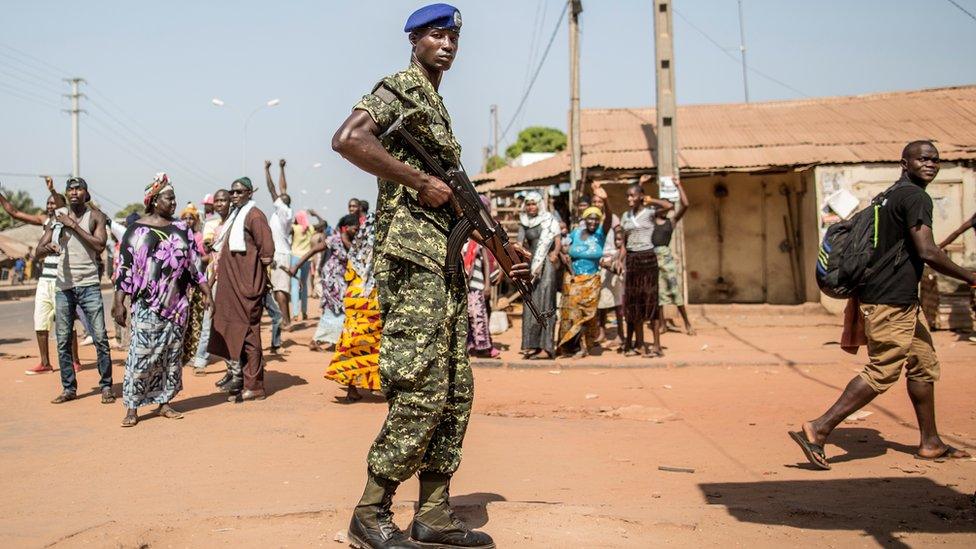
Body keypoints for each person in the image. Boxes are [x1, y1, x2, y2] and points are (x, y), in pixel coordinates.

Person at [331, 5, 531, 547]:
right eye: (436, 35)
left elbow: (457, 203)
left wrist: (501, 250)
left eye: (453, 37)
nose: (447, 44)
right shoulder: (399, 87)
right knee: (419, 385)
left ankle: (434, 512)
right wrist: (418, 179)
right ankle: (370, 512)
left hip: (441, 264)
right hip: (410, 259)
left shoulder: (435, 104)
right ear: (415, 41)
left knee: (455, 389)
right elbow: (348, 138)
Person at [790, 141, 976, 470]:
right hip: (891, 298)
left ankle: (930, 442)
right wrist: (969, 277)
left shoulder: (890, 194)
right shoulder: (915, 197)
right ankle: (818, 429)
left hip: (893, 296)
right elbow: (927, 251)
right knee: (883, 370)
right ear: (905, 163)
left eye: (935, 160)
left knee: (923, 363)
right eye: (923, 159)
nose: (931, 165)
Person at [112, 175, 211, 427]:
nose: (174, 202)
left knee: (171, 355)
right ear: (155, 200)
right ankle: (132, 407)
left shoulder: (181, 229)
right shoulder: (136, 230)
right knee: (140, 354)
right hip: (146, 303)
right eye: (169, 198)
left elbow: (194, 264)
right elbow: (124, 268)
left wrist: (206, 290)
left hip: (177, 304)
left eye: (174, 197)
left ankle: (165, 402)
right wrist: (118, 302)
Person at [36, 177, 114, 404]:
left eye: (78, 189)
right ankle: (68, 388)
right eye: (70, 189)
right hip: (63, 287)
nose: (73, 192)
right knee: (62, 340)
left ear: (86, 193)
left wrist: (75, 227)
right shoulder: (57, 220)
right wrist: (47, 247)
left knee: (99, 337)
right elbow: (38, 251)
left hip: (89, 284)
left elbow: (99, 246)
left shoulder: (96, 217)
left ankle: (106, 386)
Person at [2, 181, 82, 375]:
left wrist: (53, 190)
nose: (50, 206)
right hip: (45, 280)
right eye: (48, 203)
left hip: (62, 279)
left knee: (66, 322)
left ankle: (74, 360)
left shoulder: (68, 220)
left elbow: (60, 204)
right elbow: (14, 212)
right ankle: (45, 363)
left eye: (53, 203)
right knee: (40, 320)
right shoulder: (44, 222)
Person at [207, 177, 275, 401]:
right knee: (238, 332)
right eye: (232, 192)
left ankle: (255, 386)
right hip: (234, 287)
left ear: (249, 193)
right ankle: (245, 381)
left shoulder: (254, 215)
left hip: (248, 287)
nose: (234, 196)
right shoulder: (237, 216)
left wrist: (259, 281)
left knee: (250, 335)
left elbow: (267, 251)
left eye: (239, 192)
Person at [325, 212, 383, 403]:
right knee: (375, 344)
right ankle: (377, 384)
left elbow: (349, 274)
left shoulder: (356, 252)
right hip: (372, 299)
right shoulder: (382, 249)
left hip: (353, 298)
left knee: (351, 343)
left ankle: (351, 389)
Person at [558, 186, 612, 357]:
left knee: (588, 315)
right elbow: (564, 247)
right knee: (572, 315)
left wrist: (606, 200)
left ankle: (584, 346)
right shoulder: (575, 232)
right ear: (585, 218)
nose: (593, 222)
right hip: (573, 280)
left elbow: (609, 218)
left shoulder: (601, 234)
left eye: (596, 219)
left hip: (592, 281)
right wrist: (564, 255)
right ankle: (572, 346)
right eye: (590, 218)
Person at [292, 213, 359, 352]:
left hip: (344, 280)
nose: (356, 231)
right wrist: (296, 266)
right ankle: (319, 340)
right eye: (354, 229)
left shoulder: (354, 243)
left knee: (337, 310)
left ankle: (326, 340)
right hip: (332, 280)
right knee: (337, 310)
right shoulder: (333, 240)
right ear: (346, 228)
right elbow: (312, 251)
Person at [620, 177, 666, 357]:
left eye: (632, 195)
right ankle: (640, 344)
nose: (629, 199)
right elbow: (624, 242)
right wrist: (620, 259)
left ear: (640, 196)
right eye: (628, 196)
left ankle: (656, 346)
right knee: (634, 303)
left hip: (647, 259)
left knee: (650, 301)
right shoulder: (626, 216)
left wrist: (651, 199)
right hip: (632, 260)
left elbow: (669, 206)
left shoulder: (650, 212)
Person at [518, 191, 560, 360]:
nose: (531, 207)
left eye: (533, 204)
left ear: (539, 204)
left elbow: (557, 239)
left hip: (546, 266)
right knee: (531, 306)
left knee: (546, 304)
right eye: (528, 204)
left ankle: (547, 347)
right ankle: (533, 345)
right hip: (531, 268)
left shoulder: (549, 219)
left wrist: (555, 253)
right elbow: (519, 243)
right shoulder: (523, 222)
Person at [193, 189, 231, 375]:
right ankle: (201, 359)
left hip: (230, 279)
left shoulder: (235, 225)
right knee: (209, 320)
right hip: (214, 276)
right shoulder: (212, 225)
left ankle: (233, 365)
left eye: (224, 200)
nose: (220, 204)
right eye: (217, 201)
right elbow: (210, 252)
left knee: (231, 323)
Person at [653, 179, 695, 335]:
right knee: (657, 294)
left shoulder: (671, 222)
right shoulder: (650, 220)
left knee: (674, 291)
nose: (664, 207)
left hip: (666, 259)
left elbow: (686, 204)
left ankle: (687, 323)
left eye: (666, 205)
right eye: (661, 205)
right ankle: (662, 324)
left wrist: (678, 185)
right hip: (652, 259)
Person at [265, 158, 293, 328]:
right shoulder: (285, 211)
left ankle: (286, 321)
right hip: (281, 253)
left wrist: (266, 170)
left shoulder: (283, 211)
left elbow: (272, 189)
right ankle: (285, 319)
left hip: (281, 255)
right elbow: (283, 189)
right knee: (279, 289)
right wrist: (282, 168)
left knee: (279, 290)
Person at [463, 236, 499, 358]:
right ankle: (470, 346)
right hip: (462, 285)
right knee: (466, 317)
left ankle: (483, 347)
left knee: (478, 315)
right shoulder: (459, 241)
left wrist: (487, 284)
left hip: (477, 283)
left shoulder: (477, 241)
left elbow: (487, 264)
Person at [599, 229, 627, 350]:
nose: (617, 242)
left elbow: (617, 270)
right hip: (609, 282)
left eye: (620, 240)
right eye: (616, 239)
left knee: (618, 308)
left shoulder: (621, 253)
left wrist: (606, 265)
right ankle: (602, 332)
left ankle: (620, 335)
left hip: (618, 284)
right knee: (602, 305)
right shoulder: (614, 252)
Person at [290, 210, 315, 321]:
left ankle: (295, 313)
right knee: (304, 285)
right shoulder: (311, 228)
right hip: (307, 258)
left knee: (295, 285)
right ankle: (304, 311)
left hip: (296, 257)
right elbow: (323, 223)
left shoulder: (295, 228)